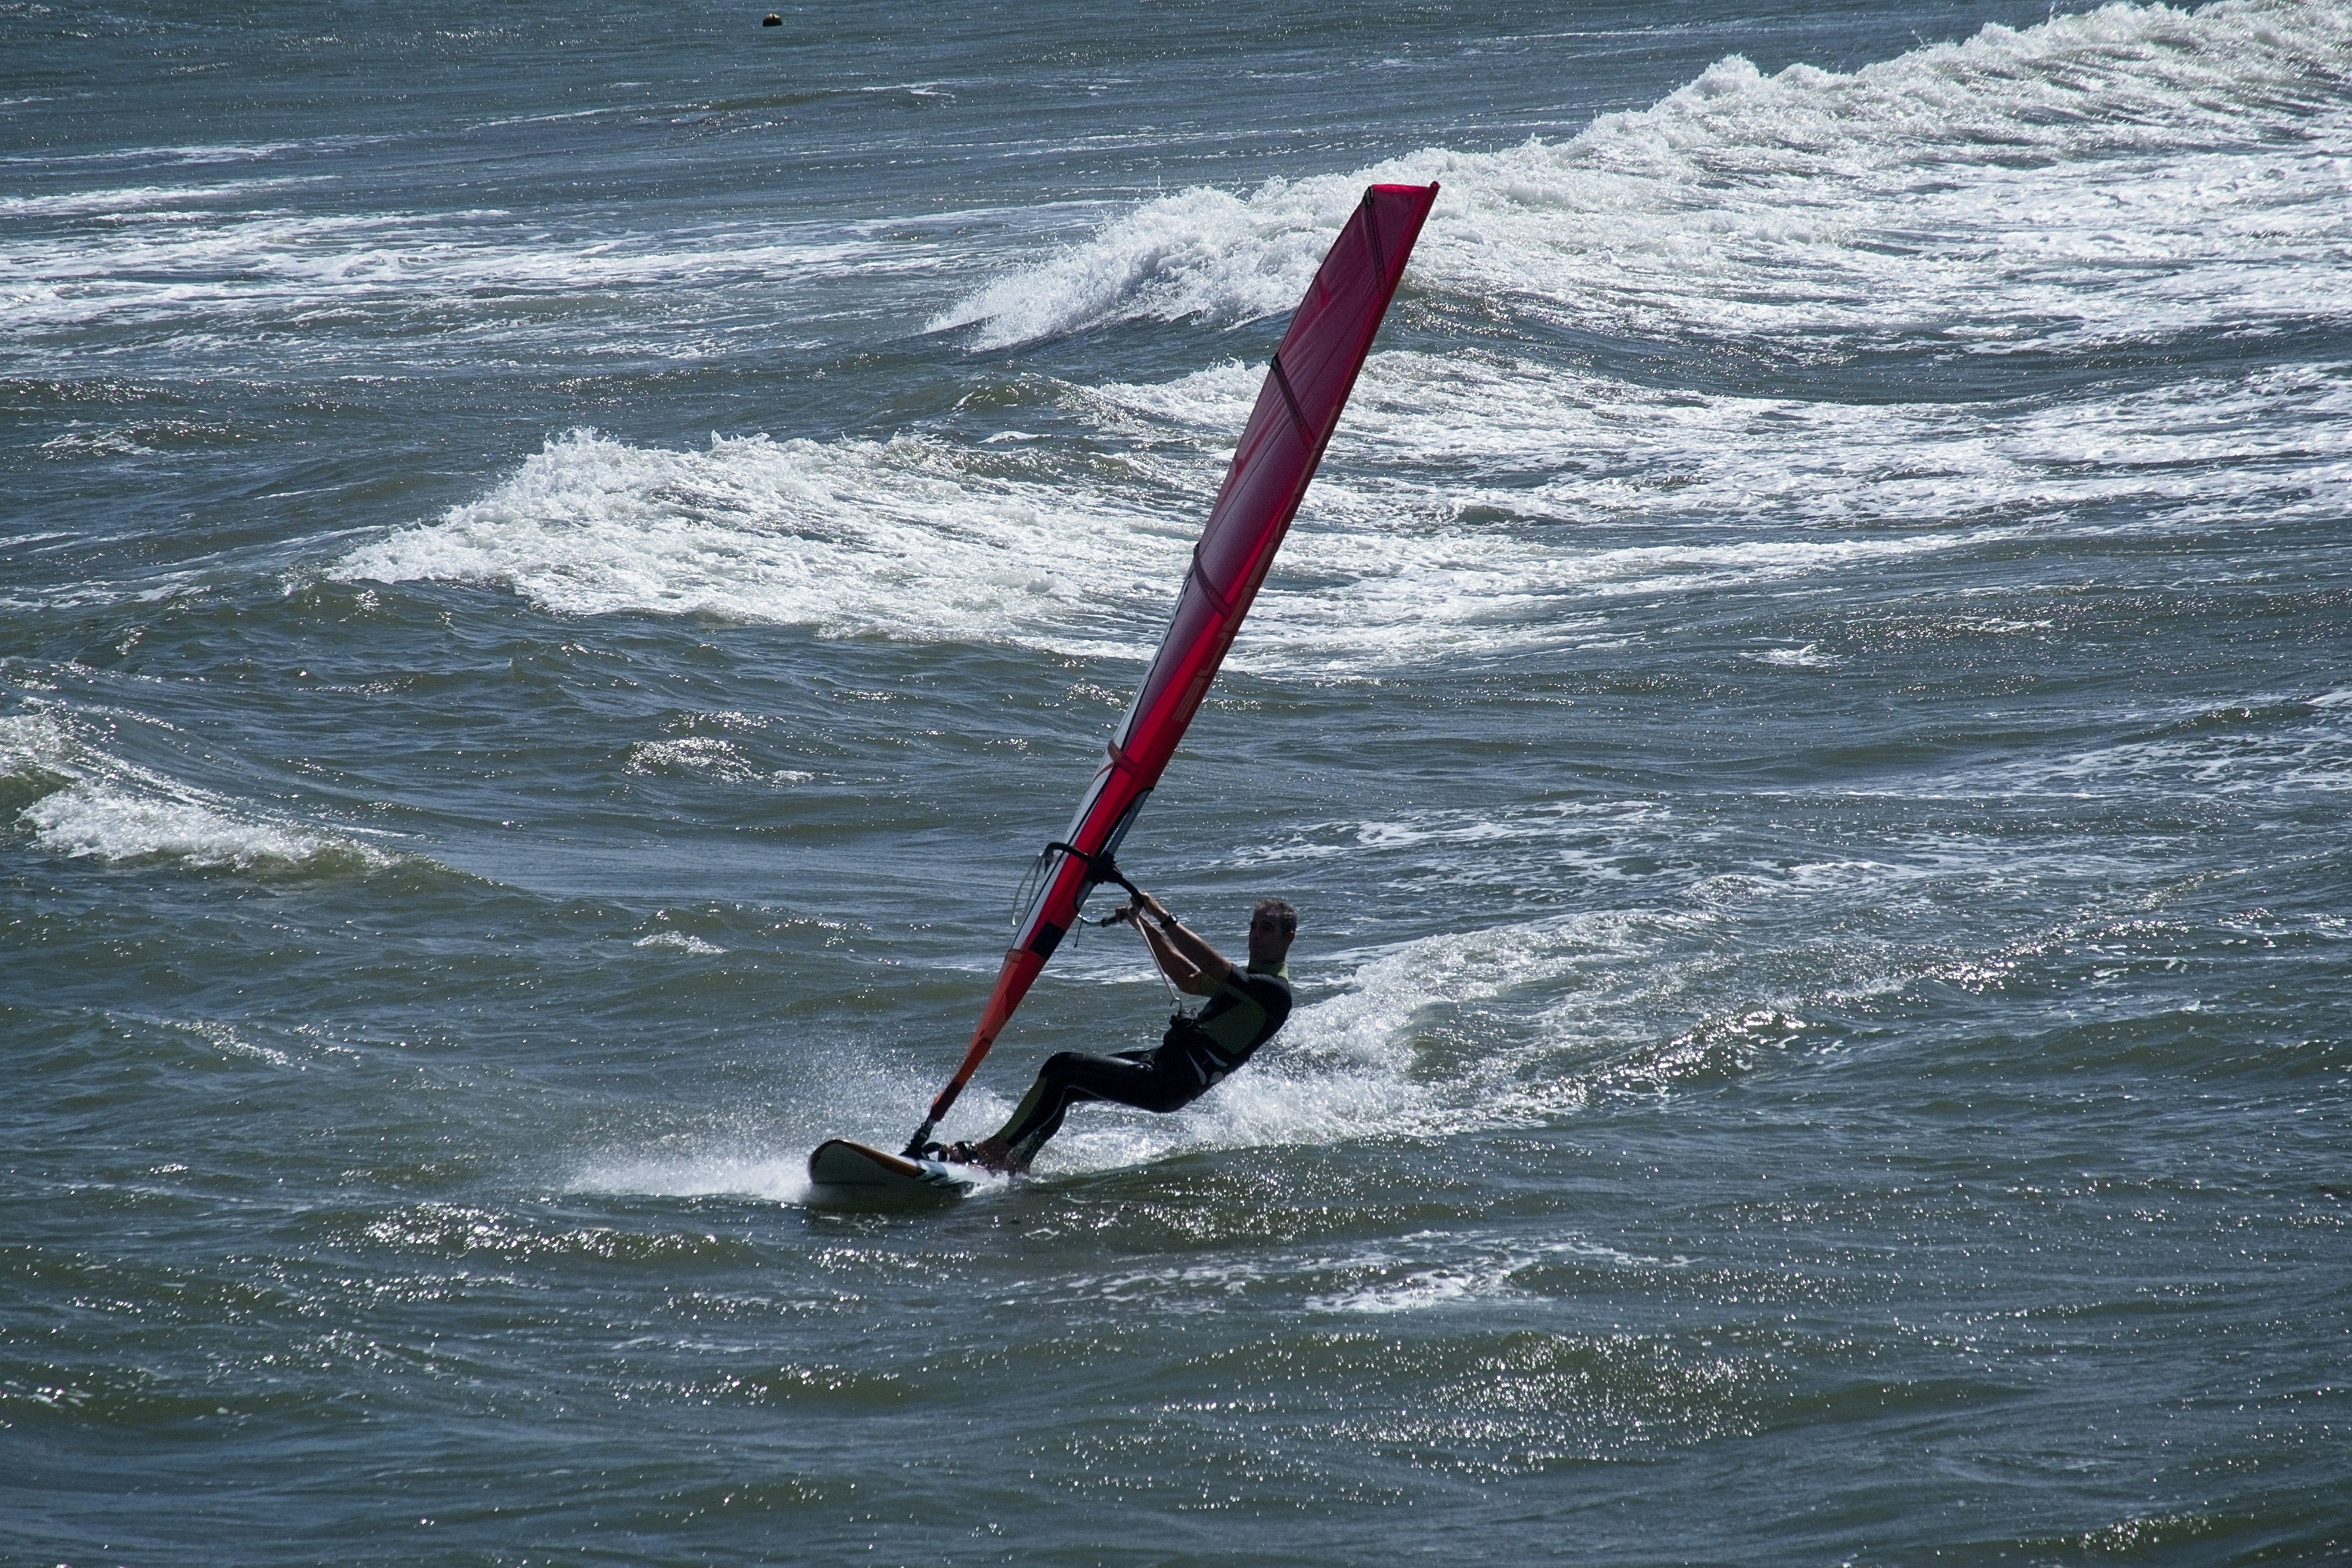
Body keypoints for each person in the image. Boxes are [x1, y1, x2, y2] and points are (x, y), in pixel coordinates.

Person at [938, 891, 1297, 1174]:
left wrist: (1161, 914)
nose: (1256, 936)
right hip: (1162, 1065)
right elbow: (1186, 977)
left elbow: (1213, 965)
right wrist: (1145, 927)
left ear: (1288, 938)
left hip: (1169, 1082)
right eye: (1253, 926)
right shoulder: (1248, 984)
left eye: (1267, 928)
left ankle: (993, 1152)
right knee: (1067, 1087)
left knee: (1062, 1068)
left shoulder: (1273, 992)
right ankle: (1018, 1162)